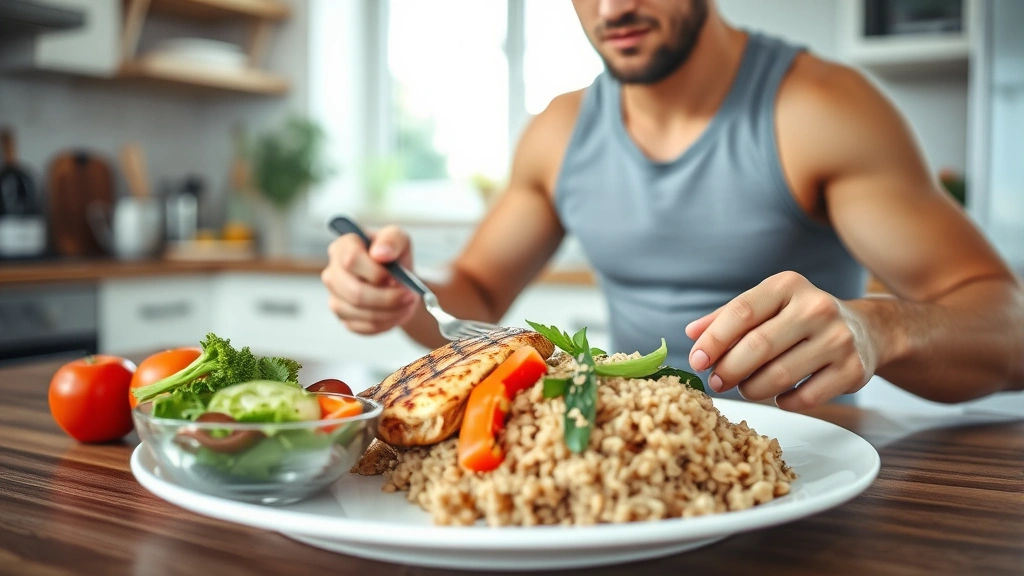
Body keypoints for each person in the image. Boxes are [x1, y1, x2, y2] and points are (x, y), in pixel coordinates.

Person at [321, 0, 1024, 410]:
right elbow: (472, 294)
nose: (612, 9)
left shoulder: (820, 109)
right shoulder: (559, 131)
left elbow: (1009, 328)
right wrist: (404, 295)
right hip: (635, 466)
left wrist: (878, 329)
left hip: (805, 478)